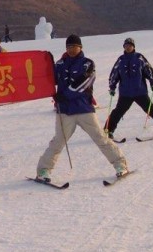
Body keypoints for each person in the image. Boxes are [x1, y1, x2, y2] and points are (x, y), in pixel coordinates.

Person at [36, 35, 128, 181]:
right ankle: (43, 170)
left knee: (100, 138)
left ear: (80, 47)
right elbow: (49, 79)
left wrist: (64, 95)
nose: (71, 49)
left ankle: (120, 164)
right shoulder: (60, 64)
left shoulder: (87, 64)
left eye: (74, 46)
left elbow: (84, 83)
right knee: (58, 141)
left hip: (84, 109)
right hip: (65, 111)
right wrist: (46, 62)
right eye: (68, 47)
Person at [105, 38, 153, 139]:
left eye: (130, 45)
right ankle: (107, 131)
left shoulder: (139, 58)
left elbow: (148, 70)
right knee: (118, 112)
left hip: (139, 91)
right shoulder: (121, 59)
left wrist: (152, 81)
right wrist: (112, 86)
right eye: (126, 46)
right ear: (124, 47)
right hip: (125, 93)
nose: (128, 47)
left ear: (133, 47)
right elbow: (115, 74)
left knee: (151, 109)